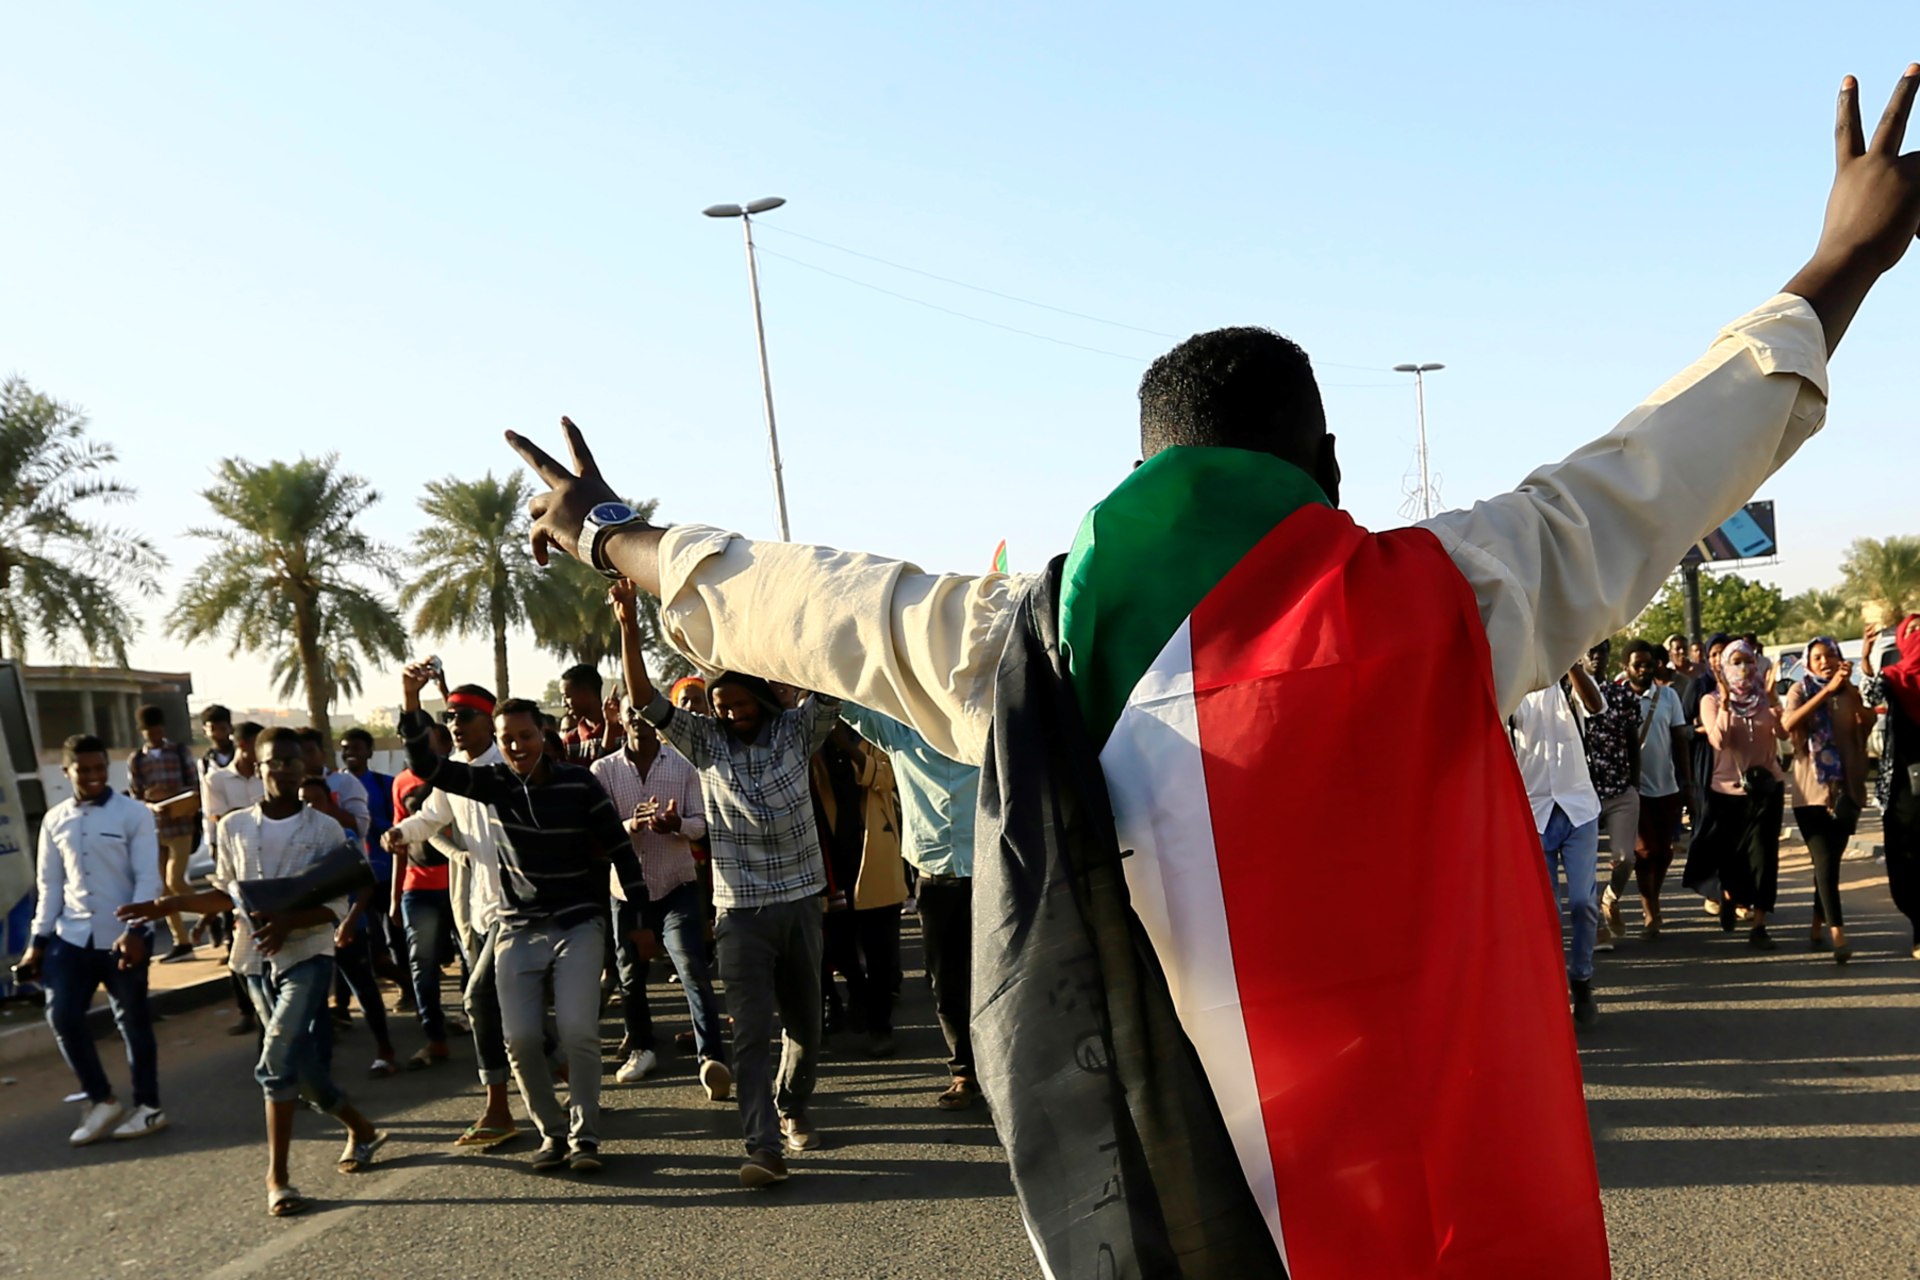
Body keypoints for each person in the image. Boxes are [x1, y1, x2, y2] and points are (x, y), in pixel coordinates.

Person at [504, 70, 1920, 1276]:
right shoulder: (1452, 599)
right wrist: (1843, 258)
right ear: (1328, 475)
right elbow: (1652, 475)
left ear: (1138, 474)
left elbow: (811, 605)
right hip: (1425, 1213)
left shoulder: (1026, 650)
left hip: (1175, 1209)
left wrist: (611, 531)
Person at [610, 580, 837, 1188]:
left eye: (740, 704)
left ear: (763, 699)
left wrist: (791, 616)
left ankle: (794, 1105)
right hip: (739, 914)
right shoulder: (704, 744)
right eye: (720, 706)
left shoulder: (797, 732)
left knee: (806, 1032)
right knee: (752, 1034)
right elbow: (644, 698)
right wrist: (629, 626)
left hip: (800, 905)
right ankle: (763, 1146)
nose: (730, 714)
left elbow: (828, 679)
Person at [119, 728, 385, 1217]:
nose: (282, 770)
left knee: (276, 1060)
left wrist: (289, 922)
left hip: (308, 956)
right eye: (272, 763)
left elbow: (335, 903)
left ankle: (278, 1178)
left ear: (305, 767)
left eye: (290, 761)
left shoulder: (325, 829)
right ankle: (361, 1127)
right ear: (256, 769)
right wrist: (170, 904)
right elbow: (229, 894)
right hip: (252, 961)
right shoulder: (235, 827)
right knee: (300, 1070)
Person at [397, 667, 645, 1175]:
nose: (516, 747)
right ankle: (552, 1134)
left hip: (578, 925)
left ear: (543, 736)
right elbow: (426, 765)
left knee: (577, 1031)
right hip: (516, 929)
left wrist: (637, 921)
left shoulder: (580, 783)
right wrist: (409, 701)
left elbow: (621, 849)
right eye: (508, 740)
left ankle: (586, 1139)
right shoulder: (492, 783)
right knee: (521, 1040)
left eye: (525, 736)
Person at [383, 681, 522, 1145]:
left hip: (521, 909)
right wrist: (401, 832)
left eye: (464, 716)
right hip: (482, 909)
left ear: (490, 720)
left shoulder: (512, 768)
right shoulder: (455, 772)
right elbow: (431, 816)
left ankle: (498, 1109)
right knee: (511, 1010)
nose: (454, 726)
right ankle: (569, 1078)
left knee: (478, 1000)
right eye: (449, 717)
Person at [18, 735, 167, 1145]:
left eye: (100, 768)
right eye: (84, 770)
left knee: (132, 1022)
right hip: (72, 936)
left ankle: (149, 1107)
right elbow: (49, 885)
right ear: (67, 773)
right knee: (62, 1016)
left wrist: (136, 931)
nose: (94, 776)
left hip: (124, 936)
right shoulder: (55, 820)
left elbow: (147, 878)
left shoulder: (133, 815)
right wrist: (38, 942)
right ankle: (101, 1099)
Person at [839, 704, 982, 1109]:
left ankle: (1008, 1072)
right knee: (946, 981)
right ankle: (964, 1073)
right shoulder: (901, 732)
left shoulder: (983, 727)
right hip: (935, 879)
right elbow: (846, 699)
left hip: (991, 873)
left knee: (998, 976)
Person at [589, 696, 731, 1100]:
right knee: (630, 975)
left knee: (691, 966)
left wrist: (677, 824)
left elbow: (703, 826)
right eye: (630, 711)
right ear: (618, 716)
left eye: (644, 711)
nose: (638, 719)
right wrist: (630, 825)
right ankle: (641, 1046)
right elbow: (599, 832)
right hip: (627, 892)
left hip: (676, 885)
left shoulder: (684, 766)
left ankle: (711, 1057)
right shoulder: (605, 770)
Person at [1513, 666, 1606, 1023]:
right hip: (1534, 811)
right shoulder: (1515, 686)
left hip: (1578, 809)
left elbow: (1596, 706)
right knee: (1546, 912)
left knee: (1583, 902)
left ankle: (1582, 978)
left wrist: (1571, 663)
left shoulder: (1569, 684)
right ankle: (1552, 990)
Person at [811, 721, 908, 1057]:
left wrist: (845, 741)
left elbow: (886, 778)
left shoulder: (877, 728)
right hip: (831, 861)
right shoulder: (812, 740)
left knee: (881, 951)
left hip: (875, 857)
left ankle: (881, 1027)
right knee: (835, 945)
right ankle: (857, 994)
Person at [1784, 637, 1876, 961]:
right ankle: (1838, 933)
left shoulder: (1848, 692)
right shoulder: (1801, 690)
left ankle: (1816, 923)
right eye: (1818, 657)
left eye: (1830, 656)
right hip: (1810, 793)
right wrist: (1825, 692)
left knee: (1829, 864)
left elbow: (1868, 721)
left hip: (1845, 790)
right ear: (1809, 663)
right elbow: (1787, 725)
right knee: (1824, 861)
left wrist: (1847, 688)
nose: (1825, 662)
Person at [1694, 640, 1790, 949]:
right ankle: (1728, 896)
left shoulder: (1764, 698)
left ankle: (1760, 924)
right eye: (1735, 662)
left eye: (1748, 661)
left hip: (1766, 788)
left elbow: (1784, 732)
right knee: (1732, 859)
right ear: (1723, 667)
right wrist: (1724, 703)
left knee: (1764, 856)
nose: (1744, 668)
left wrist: (1774, 697)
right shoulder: (1710, 700)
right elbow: (1719, 741)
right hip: (1727, 791)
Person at [390, 721, 460, 1069]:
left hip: (461, 883)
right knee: (423, 965)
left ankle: (487, 1031)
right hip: (417, 887)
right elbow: (400, 836)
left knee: (475, 962)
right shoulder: (401, 782)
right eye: (410, 741)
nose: (415, 747)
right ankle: (435, 1038)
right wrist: (393, 896)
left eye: (424, 742)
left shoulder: (459, 776)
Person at [1577, 640, 1643, 952]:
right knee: (1585, 865)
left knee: (1625, 857)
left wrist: (1635, 781)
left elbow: (1632, 738)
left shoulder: (1622, 694)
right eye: (1590, 649)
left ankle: (1611, 899)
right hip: (1582, 792)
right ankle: (1599, 928)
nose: (1595, 655)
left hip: (1619, 787)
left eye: (1601, 649)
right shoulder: (1567, 695)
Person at [1621, 641, 1690, 936]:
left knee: (1663, 852)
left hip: (1667, 786)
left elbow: (1680, 739)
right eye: (1638, 664)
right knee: (1643, 851)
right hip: (1634, 789)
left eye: (1649, 664)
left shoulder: (1669, 696)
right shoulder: (1617, 697)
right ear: (1626, 667)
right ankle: (1650, 911)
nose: (1644, 670)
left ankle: (1655, 898)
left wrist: (1688, 783)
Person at [204, 722, 268, 1036]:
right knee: (238, 940)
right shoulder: (216, 779)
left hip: (267, 861)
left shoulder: (266, 775)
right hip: (234, 861)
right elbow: (218, 819)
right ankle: (247, 1010)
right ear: (242, 743)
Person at [1864, 616, 1920, 958]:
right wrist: (1867, 658)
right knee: (1906, 858)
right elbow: (1871, 696)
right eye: (1912, 630)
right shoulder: (1893, 676)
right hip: (1901, 788)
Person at [127, 705, 201, 962]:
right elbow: (136, 796)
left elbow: (194, 786)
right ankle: (182, 941)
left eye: (157, 728)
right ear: (143, 731)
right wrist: (151, 803)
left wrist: (168, 796)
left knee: (175, 880)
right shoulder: (137, 759)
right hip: (154, 829)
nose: (154, 733)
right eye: (149, 729)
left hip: (181, 825)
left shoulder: (179, 752)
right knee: (162, 889)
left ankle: (216, 912)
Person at [560, 663, 617, 763]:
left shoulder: (624, 732)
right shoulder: (570, 741)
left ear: (586, 692)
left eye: (566, 696)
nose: (563, 704)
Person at [1664, 633, 1699, 703]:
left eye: (1684, 648)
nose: (1682, 651)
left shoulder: (1699, 669)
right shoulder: (1665, 672)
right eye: (1678, 649)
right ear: (1670, 652)